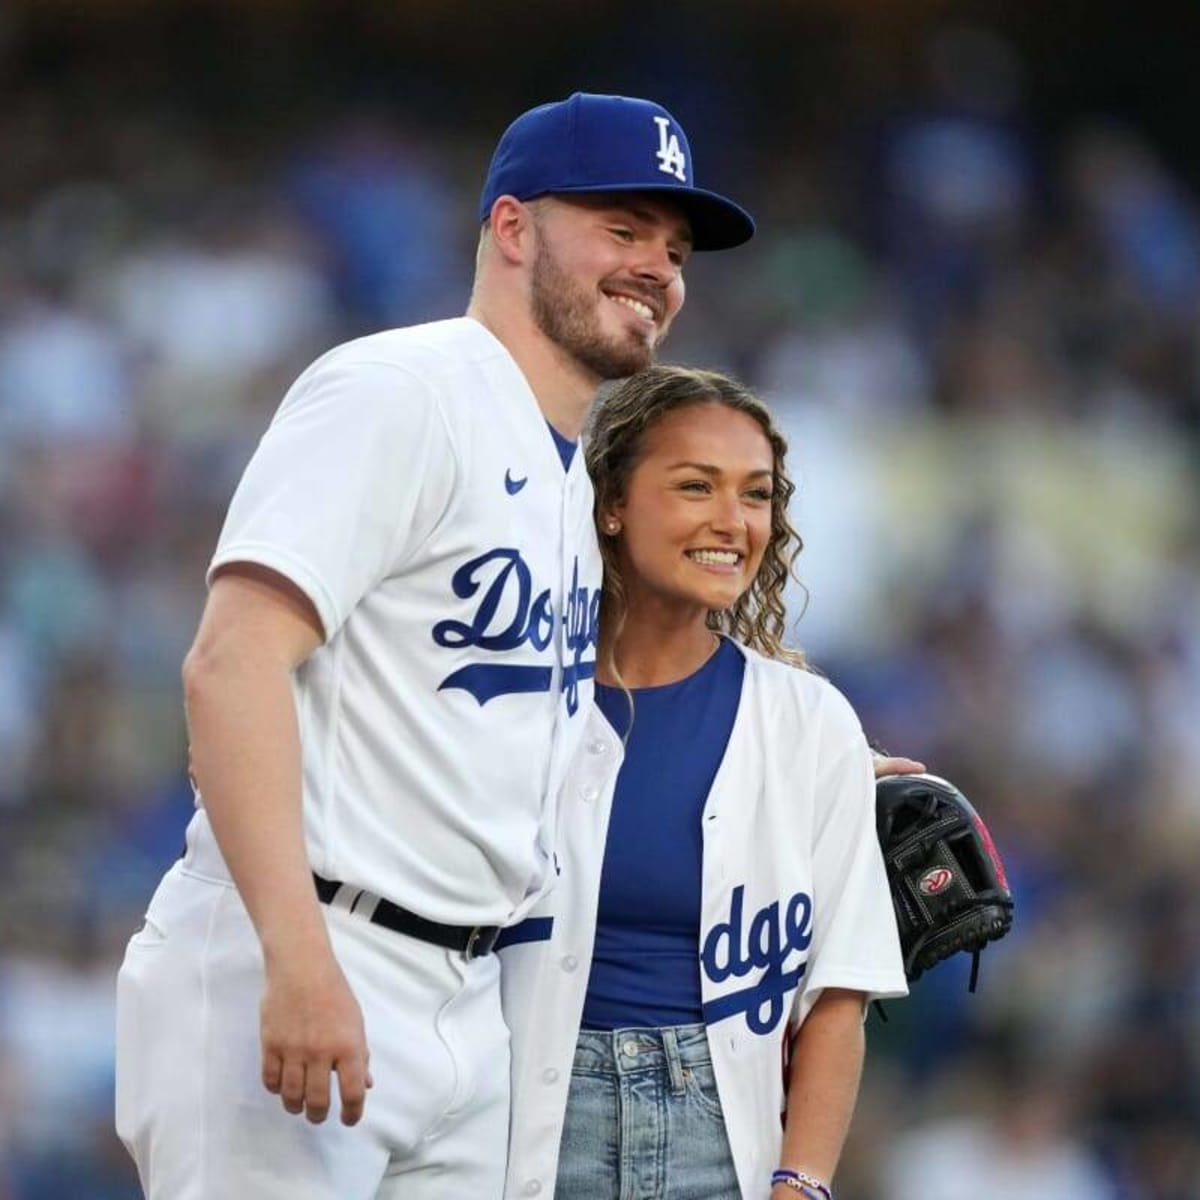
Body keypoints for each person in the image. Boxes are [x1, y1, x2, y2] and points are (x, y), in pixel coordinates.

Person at [113, 94, 755, 1200]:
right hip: (316, 944)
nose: (656, 264)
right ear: (513, 229)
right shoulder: (401, 391)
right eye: (622, 228)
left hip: (471, 1004)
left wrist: (815, 768)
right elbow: (232, 662)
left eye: (675, 246)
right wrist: (296, 955)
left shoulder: (571, 474)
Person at [499, 365, 911, 1200]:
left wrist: (801, 1183)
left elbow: (837, 996)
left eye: (756, 495)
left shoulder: (810, 721)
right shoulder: (515, 693)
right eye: (696, 486)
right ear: (610, 502)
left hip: (722, 1141)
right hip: (515, 1122)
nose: (733, 522)